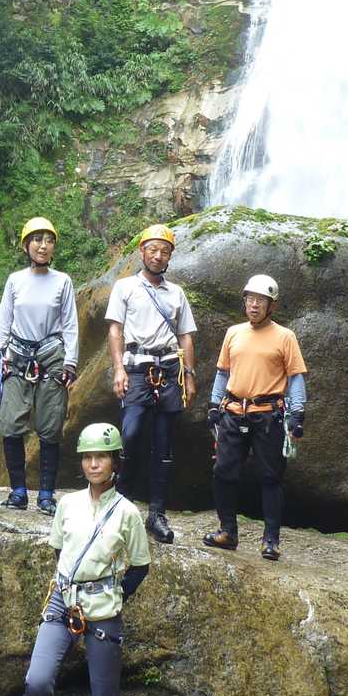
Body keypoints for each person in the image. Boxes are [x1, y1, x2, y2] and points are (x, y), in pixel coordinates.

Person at [22, 423, 149, 696]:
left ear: (115, 462)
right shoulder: (68, 504)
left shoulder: (127, 513)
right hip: (64, 600)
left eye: (102, 457)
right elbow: (59, 550)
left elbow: (140, 566)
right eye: (88, 457)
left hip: (103, 608)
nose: (94, 464)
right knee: (36, 683)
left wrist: (114, 596)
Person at [203, 274, 307, 562]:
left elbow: (295, 378)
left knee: (271, 477)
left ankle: (271, 540)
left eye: (261, 300)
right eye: (250, 298)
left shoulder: (285, 337)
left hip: (268, 416)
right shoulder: (233, 333)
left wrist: (297, 414)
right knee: (223, 472)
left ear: (272, 306)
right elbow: (223, 372)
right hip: (234, 412)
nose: (254, 304)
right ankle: (227, 531)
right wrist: (213, 405)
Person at [105, 223, 198, 543]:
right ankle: (119, 504)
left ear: (170, 256)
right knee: (130, 434)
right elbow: (115, 330)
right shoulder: (125, 287)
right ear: (142, 252)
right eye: (153, 250)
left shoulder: (176, 293)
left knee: (164, 444)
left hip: (169, 370)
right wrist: (118, 369)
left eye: (165, 251)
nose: (158, 256)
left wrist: (189, 376)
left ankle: (157, 513)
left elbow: (186, 336)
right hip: (136, 368)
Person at [0, 217, 79, 515]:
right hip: (17, 355)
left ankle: (46, 495)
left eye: (48, 240)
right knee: (10, 424)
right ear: (26, 245)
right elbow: (4, 319)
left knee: (50, 427)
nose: (43, 245)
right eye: (37, 240)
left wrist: (70, 362)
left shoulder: (62, 281)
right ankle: (18, 491)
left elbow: (70, 324)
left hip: (51, 356)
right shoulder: (15, 280)